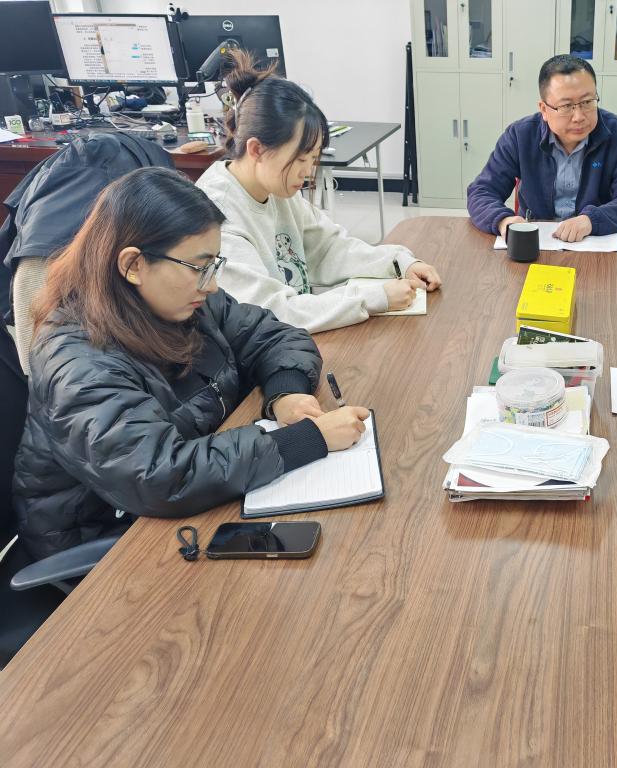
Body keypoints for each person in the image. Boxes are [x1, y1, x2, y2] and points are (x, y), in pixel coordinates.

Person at [14, 167, 371, 560]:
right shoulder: (77, 361)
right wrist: (307, 440)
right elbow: (160, 475)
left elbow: (274, 336)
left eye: (213, 265)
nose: (212, 284)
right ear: (133, 265)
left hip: (193, 502)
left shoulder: (183, 301)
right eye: (199, 267)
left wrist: (285, 393)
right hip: (111, 543)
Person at [196, 52, 441, 333]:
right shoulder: (217, 218)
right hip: (262, 349)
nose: (307, 171)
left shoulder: (274, 188)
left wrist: (398, 263)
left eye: (313, 158)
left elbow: (329, 247)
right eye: (301, 159)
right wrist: (372, 298)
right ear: (257, 149)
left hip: (293, 342)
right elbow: (271, 313)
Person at [467, 54, 617, 243]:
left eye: (587, 102)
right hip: (534, 243)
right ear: (544, 109)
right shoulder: (520, 136)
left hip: (595, 242)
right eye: (566, 106)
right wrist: (504, 221)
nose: (579, 116)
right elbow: (481, 191)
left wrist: (591, 220)